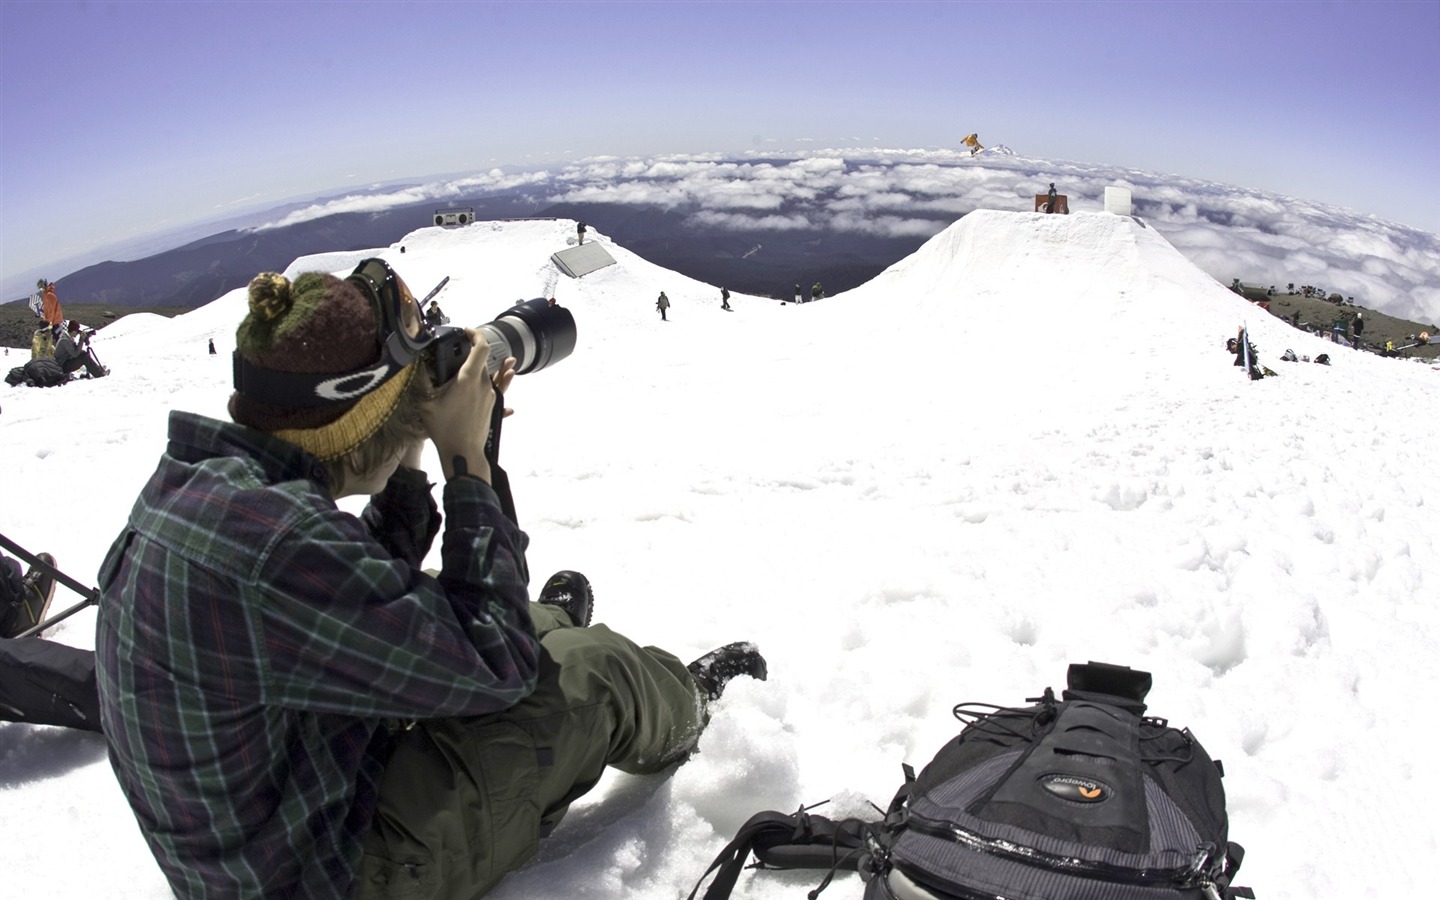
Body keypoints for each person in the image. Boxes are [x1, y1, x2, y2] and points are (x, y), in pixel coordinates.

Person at [94, 261, 765, 899]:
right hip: (338, 870)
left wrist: (405, 450)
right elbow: (495, 664)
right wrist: (468, 461)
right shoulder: (278, 545)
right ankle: (686, 706)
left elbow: (348, 586)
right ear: (359, 419)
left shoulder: (206, 494)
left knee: (506, 621)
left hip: (280, 811)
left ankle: (544, 622)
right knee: (594, 670)